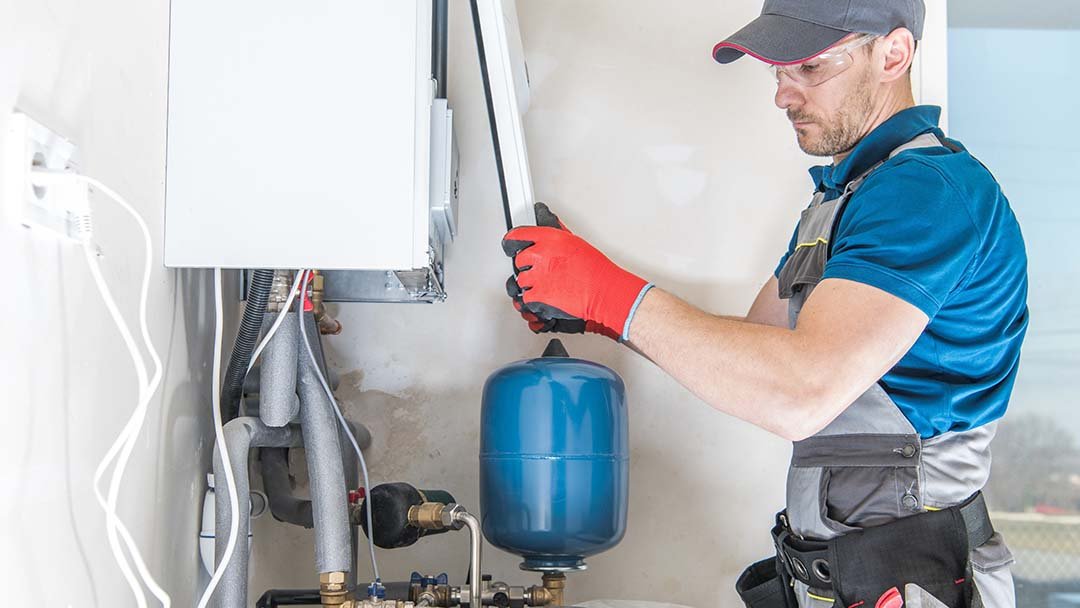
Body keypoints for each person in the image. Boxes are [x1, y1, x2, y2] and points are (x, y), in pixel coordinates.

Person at [500, 1, 1029, 606]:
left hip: (916, 582)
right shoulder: (846, 197)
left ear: (893, 54)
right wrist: (598, 314)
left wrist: (612, 295)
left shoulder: (925, 192)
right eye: (777, 71)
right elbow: (756, 355)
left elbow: (798, 390)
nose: (783, 96)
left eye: (809, 67)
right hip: (856, 577)